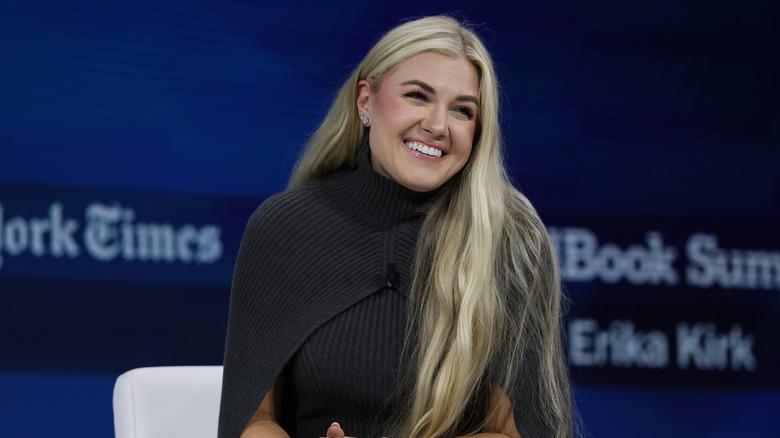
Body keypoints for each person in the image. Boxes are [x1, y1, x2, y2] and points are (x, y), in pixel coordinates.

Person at [218, 15, 572, 438]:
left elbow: (517, 430)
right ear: (365, 101)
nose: (438, 126)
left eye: (462, 110)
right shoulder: (285, 228)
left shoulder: (511, 242)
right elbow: (251, 421)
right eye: (418, 96)